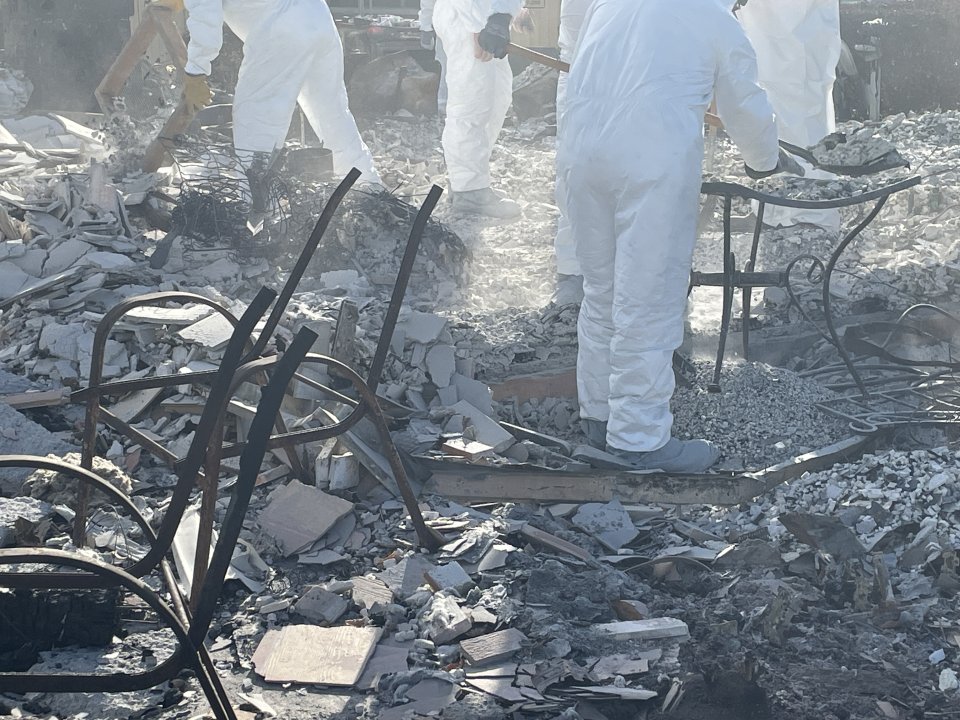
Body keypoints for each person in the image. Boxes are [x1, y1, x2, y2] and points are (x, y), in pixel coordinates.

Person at [557, 0, 802, 472]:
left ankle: (600, 414)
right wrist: (766, 159)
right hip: (649, 163)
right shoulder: (713, 18)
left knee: (603, 291)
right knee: (647, 299)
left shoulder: (610, 5)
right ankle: (639, 438)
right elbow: (745, 105)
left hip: (580, 158)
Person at [180, 0, 380, 183]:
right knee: (332, 114)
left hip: (280, 29)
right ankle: (367, 188)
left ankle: (256, 210)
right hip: (317, 17)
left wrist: (196, 70)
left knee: (256, 120)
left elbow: (206, 21)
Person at [738, 0, 842, 230]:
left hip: (794, 20)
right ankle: (769, 210)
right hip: (768, 18)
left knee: (800, 97)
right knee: (769, 89)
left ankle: (807, 212)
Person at [432, 0, 525, 218]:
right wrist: (476, 25)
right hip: (469, 16)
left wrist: (512, 12)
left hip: (487, 16)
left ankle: (468, 179)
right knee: (472, 102)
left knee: (496, 98)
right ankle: (469, 190)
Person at [551, 0, 594, 305]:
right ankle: (573, 271)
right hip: (579, 66)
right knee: (575, 171)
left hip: (648, 72)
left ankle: (662, 278)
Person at [418, 0, 448, 117]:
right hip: (448, 27)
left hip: (476, 27)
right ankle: (443, 106)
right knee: (446, 68)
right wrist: (426, 26)